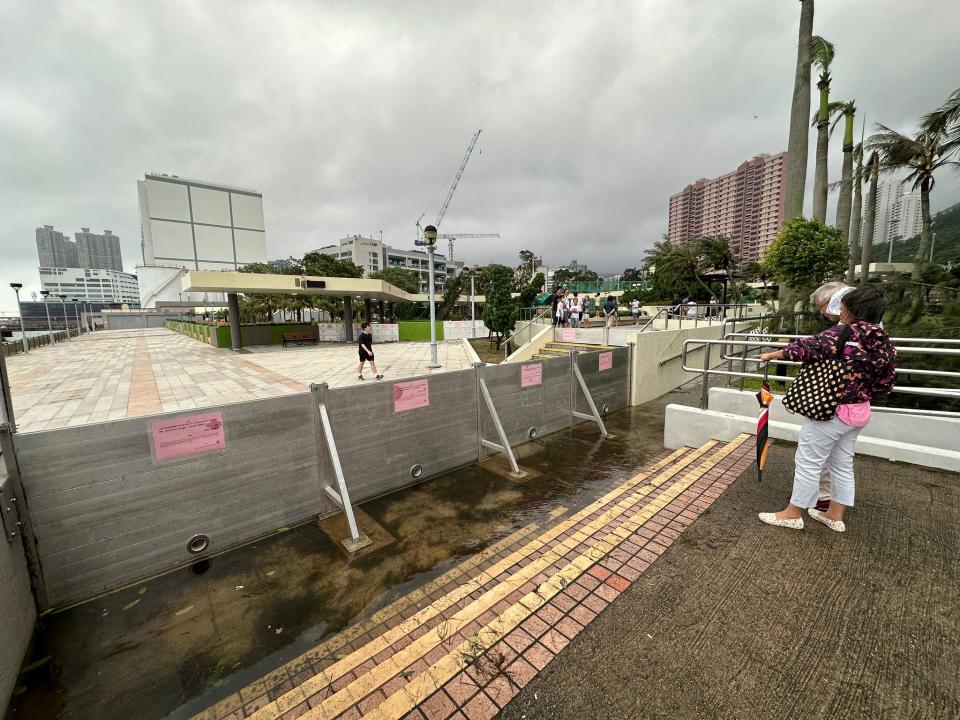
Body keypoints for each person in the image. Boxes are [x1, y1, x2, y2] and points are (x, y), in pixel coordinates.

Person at [757, 286, 895, 532]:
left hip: (831, 411)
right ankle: (834, 515)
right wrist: (860, 393)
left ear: (851, 310)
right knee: (842, 463)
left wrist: (772, 355)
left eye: (843, 306)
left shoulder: (843, 333)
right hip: (859, 412)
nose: (840, 310)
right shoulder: (883, 341)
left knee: (808, 461)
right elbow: (885, 384)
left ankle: (792, 513)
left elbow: (805, 348)